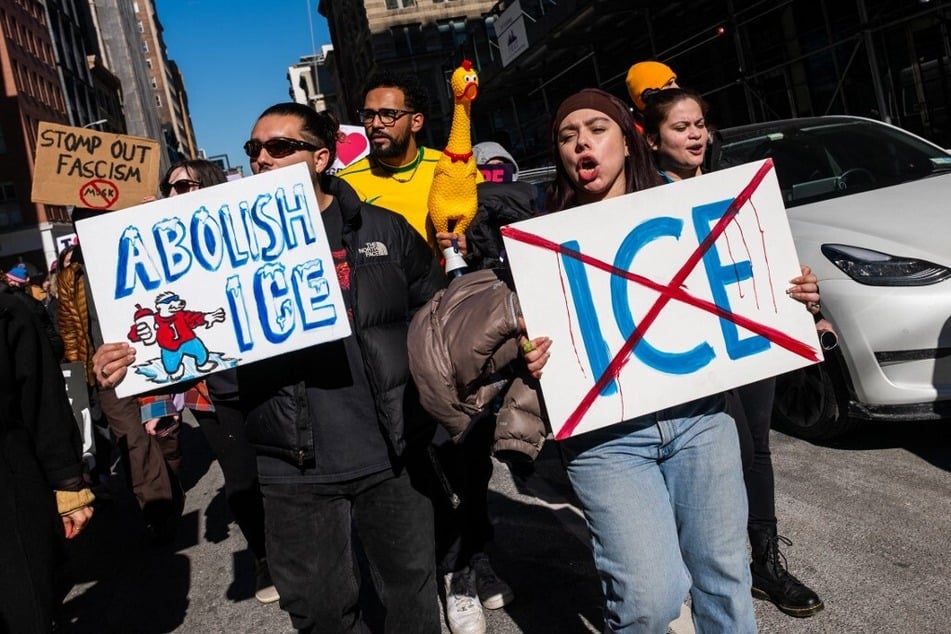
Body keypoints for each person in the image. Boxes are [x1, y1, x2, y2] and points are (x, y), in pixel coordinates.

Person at [94, 102, 447, 632]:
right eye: (253, 149)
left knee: (411, 605)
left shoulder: (384, 230)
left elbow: (436, 313)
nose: (262, 159)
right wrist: (129, 361)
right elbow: (192, 348)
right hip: (292, 466)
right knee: (320, 613)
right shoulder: (221, 247)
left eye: (280, 147)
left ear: (322, 157)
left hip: (391, 454)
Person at [546, 87, 757, 633]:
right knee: (648, 597)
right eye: (568, 137)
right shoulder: (541, 239)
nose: (581, 144)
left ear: (627, 138)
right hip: (606, 440)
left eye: (596, 128)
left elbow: (745, 285)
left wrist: (792, 295)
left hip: (701, 419)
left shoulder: (687, 206)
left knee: (725, 578)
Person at [643, 87, 826, 618]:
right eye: (681, 127)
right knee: (726, 454)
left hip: (748, 338)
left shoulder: (740, 189)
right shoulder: (637, 200)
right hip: (689, 349)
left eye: (700, 124)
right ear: (653, 139)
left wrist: (802, 289)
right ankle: (708, 570)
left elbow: (770, 261)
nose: (696, 135)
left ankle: (764, 564)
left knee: (757, 449)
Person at [341, 73, 513, 634]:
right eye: (367, 115)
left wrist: (470, 244)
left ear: (416, 120)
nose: (374, 124)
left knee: (471, 456)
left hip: (457, 339)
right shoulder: (348, 184)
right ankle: (452, 571)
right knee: (425, 465)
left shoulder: (450, 165)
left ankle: (473, 559)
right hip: (389, 346)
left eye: (387, 115)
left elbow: (489, 242)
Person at [135, 159, 275, 600]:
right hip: (207, 391)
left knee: (287, 465)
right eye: (168, 187)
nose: (173, 194)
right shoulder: (157, 258)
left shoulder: (244, 236)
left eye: (184, 185)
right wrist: (156, 407)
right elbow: (145, 339)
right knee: (240, 476)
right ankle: (265, 557)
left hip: (268, 373)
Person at [58, 209, 184, 543]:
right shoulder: (72, 273)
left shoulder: (139, 250)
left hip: (151, 361)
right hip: (107, 375)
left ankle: (171, 487)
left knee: (166, 434)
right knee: (133, 441)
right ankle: (157, 510)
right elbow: (71, 327)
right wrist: (78, 374)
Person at [0, 291, 95, 633]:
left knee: (26, 610)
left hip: (11, 495)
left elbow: (43, 402)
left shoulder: (8, 310)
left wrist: (69, 484)